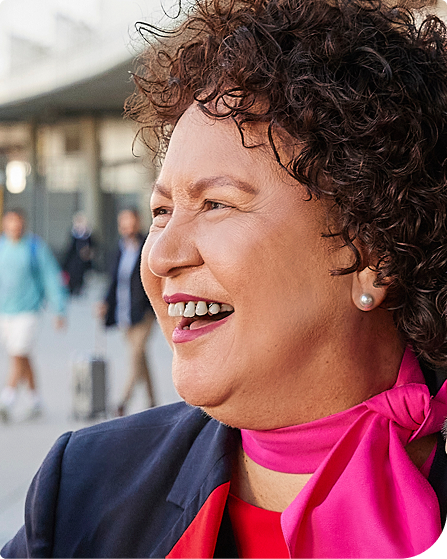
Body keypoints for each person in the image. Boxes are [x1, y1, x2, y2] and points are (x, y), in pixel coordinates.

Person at [2, 0, 447, 556]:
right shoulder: (83, 488)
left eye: (214, 204)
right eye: (161, 211)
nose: (159, 255)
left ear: (372, 253)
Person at [0, 209, 67, 422]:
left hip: (28, 311)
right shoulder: (2, 247)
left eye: (18, 223)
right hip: (5, 311)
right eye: (10, 223)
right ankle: (35, 399)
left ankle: (7, 398)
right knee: (22, 355)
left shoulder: (34, 248)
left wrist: (59, 309)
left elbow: (51, 278)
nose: (15, 227)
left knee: (18, 353)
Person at [97, 208, 156, 416]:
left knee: (135, 356)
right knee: (141, 358)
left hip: (144, 314)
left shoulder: (148, 245)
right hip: (125, 313)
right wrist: (105, 302)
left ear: (138, 222)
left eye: (130, 221)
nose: (127, 226)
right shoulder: (120, 249)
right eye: (123, 222)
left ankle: (123, 401)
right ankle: (153, 401)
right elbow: (114, 281)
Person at [62, 211, 95, 296]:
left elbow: (93, 247)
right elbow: (70, 250)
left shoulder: (88, 235)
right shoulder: (74, 235)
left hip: (84, 262)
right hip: (74, 262)